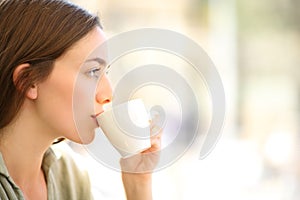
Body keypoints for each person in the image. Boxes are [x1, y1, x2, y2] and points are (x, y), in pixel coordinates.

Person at [0, 0, 161, 199]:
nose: (108, 94)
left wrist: (138, 183)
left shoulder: (72, 177)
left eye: (105, 72)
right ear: (28, 81)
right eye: (93, 71)